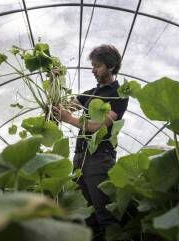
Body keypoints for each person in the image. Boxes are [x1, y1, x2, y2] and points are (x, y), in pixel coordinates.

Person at [54, 44, 128, 241]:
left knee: (104, 214)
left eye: (97, 66)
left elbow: (100, 125)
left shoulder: (120, 93)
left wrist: (69, 118)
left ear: (111, 66)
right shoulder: (90, 93)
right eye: (93, 66)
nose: (93, 70)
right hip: (80, 158)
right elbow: (62, 106)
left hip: (100, 158)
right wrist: (55, 79)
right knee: (87, 216)